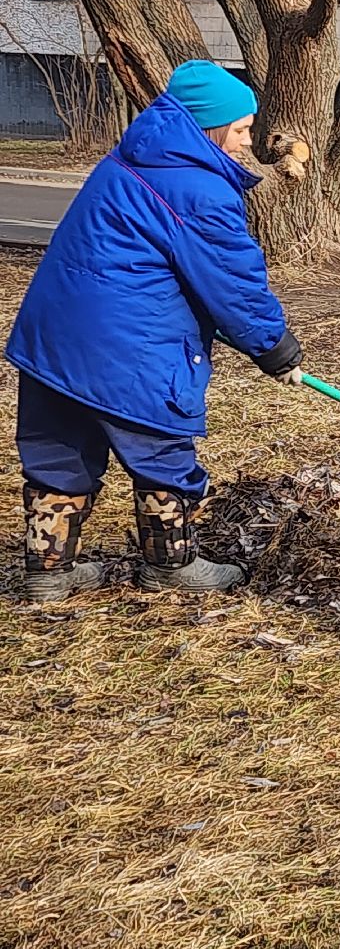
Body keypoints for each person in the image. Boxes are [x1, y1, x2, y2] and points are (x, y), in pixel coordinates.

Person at [7, 60, 305, 602]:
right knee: (162, 449)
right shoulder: (199, 190)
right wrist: (276, 349)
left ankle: (48, 573)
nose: (247, 141)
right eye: (239, 129)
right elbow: (233, 283)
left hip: (53, 339)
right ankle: (171, 565)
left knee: (61, 449)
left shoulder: (127, 161)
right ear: (207, 127)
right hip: (130, 345)